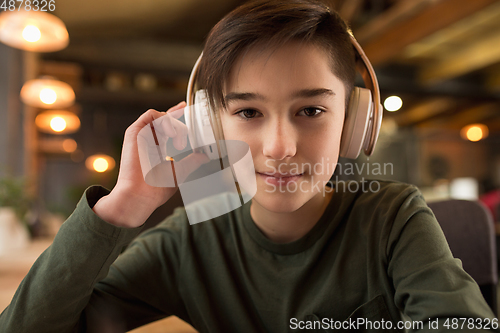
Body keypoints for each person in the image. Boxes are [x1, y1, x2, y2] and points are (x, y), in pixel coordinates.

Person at [0, 0, 497, 332]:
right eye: (248, 112)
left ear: (355, 122)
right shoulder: (190, 240)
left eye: (311, 111)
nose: (280, 146)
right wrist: (118, 210)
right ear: (210, 129)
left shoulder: (393, 217)